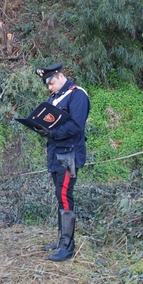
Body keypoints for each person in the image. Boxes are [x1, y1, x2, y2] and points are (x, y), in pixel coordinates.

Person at [33, 63, 90, 262]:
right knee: (60, 196)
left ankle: (67, 247)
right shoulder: (54, 98)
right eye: (47, 84)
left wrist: (52, 133)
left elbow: (76, 125)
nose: (49, 87)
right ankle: (60, 241)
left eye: (51, 82)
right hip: (55, 153)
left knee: (65, 196)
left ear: (61, 75)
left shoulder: (77, 95)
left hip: (69, 155)